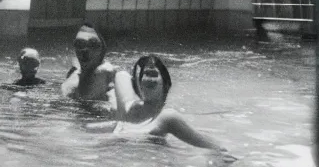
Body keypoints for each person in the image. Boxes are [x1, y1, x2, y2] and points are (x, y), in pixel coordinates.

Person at [95, 54, 230, 151]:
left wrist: (222, 154)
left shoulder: (167, 117)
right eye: (145, 74)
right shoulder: (129, 107)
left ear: (165, 84)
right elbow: (121, 76)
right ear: (138, 83)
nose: (148, 79)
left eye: (154, 75)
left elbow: (209, 144)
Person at [61, 22, 116, 107]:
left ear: (103, 48)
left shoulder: (106, 73)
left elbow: (116, 107)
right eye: (79, 44)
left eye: (93, 44)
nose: (85, 50)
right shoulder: (73, 75)